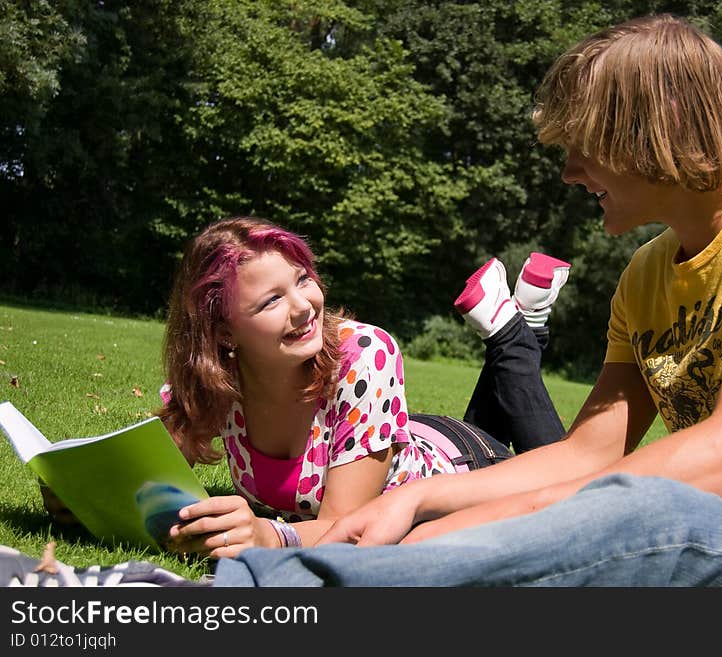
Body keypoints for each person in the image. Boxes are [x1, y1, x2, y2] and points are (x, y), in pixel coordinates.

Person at [9, 12, 722, 588]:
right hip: (696, 547)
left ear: (652, 131)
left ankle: (198, 607)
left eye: (584, 148)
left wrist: (483, 509)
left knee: (648, 509)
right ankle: (129, 598)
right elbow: (584, 454)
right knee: (461, 536)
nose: (571, 172)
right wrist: (417, 503)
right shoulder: (648, 276)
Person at [36, 216, 571, 561]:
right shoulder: (221, 382)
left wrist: (272, 536)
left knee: (578, 481)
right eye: (270, 301)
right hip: (394, 439)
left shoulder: (363, 353)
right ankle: (524, 320)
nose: (302, 307)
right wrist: (85, 491)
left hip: (464, 464)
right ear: (223, 333)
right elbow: (146, 460)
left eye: (303, 280)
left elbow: (345, 528)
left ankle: (512, 330)